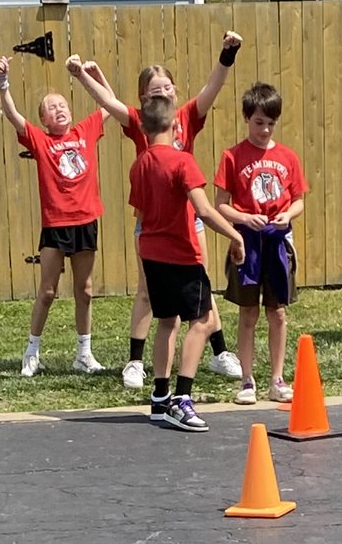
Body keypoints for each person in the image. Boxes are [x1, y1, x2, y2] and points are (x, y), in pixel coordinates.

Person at [73, 34, 245, 389]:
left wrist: (226, 54)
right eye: (155, 90)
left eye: (167, 87)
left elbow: (213, 86)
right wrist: (81, 75)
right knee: (148, 294)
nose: (163, 93)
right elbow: (107, 101)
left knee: (201, 286)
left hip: (189, 220)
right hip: (152, 224)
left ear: (176, 90)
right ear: (144, 99)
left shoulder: (186, 116)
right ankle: (136, 362)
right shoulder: (141, 121)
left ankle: (218, 352)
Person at [126, 95, 246, 431]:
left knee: (166, 322)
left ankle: (160, 399)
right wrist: (235, 236)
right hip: (181, 255)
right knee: (204, 321)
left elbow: (140, 212)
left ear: (144, 129)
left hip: (151, 254)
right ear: (177, 125)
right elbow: (205, 211)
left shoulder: (138, 166)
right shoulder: (182, 162)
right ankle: (182, 398)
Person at [0, 53, 108, 378]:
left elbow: (110, 102)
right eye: (51, 107)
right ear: (44, 119)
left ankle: (84, 354)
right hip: (56, 225)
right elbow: (13, 115)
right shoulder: (41, 140)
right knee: (47, 291)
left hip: (86, 220)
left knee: (84, 289)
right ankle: (32, 351)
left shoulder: (86, 131)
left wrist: (90, 74)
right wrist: (2, 83)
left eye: (63, 105)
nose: (59, 109)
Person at [214, 83, 307, 405]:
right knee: (248, 312)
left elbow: (298, 201)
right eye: (258, 123)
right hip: (247, 243)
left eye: (270, 123)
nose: (264, 129)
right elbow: (221, 204)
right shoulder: (232, 156)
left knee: (277, 312)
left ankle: (278, 378)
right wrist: (242, 218)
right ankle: (247, 380)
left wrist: (286, 216)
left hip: (278, 242)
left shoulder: (287, 156)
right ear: (246, 118)